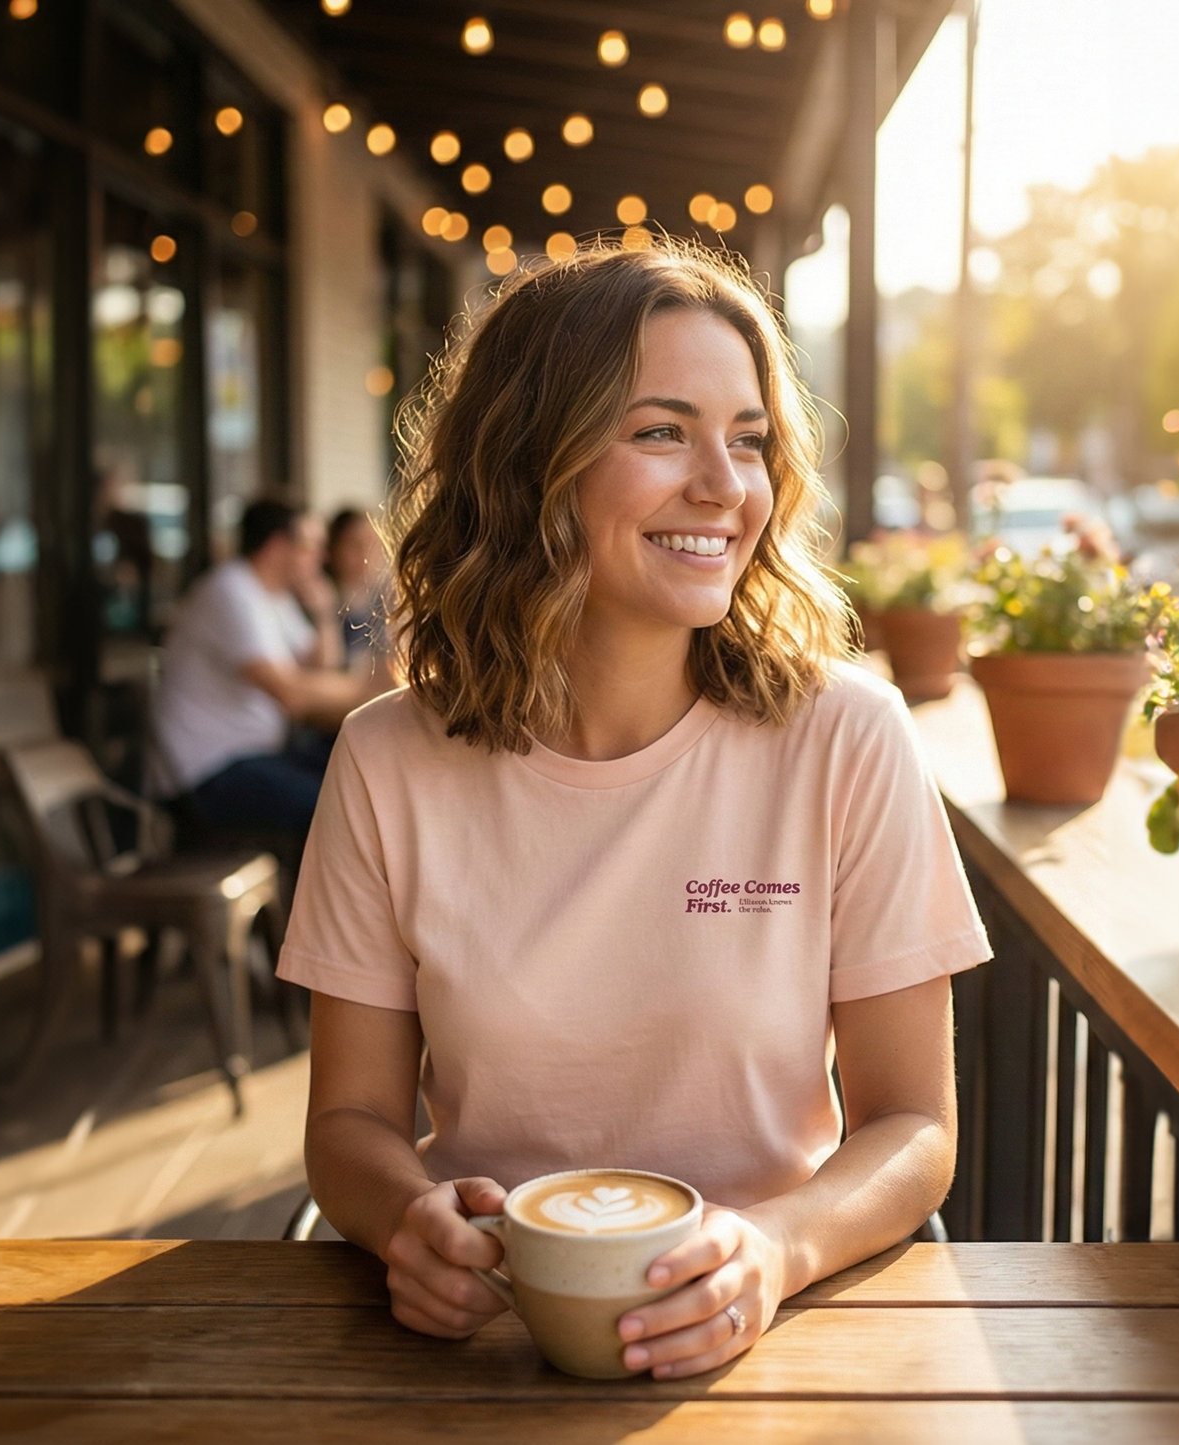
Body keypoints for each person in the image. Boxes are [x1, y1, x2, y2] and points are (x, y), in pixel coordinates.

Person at [277, 243, 990, 1380]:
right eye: (661, 430)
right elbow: (347, 1124)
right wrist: (404, 1216)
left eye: (748, 439)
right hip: (479, 1352)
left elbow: (913, 1125)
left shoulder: (845, 737)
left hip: (772, 1335)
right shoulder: (387, 759)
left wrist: (775, 1246)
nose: (723, 484)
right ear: (529, 462)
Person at [150, 499, 373, 839]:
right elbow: (293, 695)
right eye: (310, 546)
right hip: (208, 772)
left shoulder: (272, 595)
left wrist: (326, 613)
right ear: (277, 547)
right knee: (338, 808)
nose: (321, 558)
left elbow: (321, 667)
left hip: (255, 755)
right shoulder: (231, 590)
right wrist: (372, 692)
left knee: (354, 774)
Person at [325, 507, 387, 670]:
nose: (366, 554)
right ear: (333, 548)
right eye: (355, 545)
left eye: (372, 544)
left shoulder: (386, 601)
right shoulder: (321, 597)